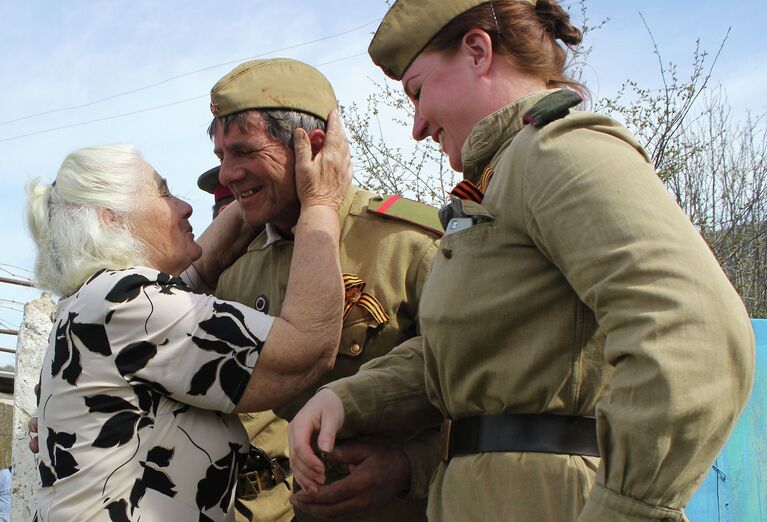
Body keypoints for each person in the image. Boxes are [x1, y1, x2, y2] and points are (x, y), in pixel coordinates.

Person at [288, 1, 756, 521]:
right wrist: (348, 400)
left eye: (418, 92)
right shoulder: (497, 182)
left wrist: (626, 510)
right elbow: (464, 355)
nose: (417, 126)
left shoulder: (557, 152)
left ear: (477, 51)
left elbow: (693, 332)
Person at [25, 132, 350, 521]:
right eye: (164, 193)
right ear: (111, 218)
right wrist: (321, 201)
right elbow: (304, 349)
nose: (184, 207)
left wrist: (257, 195)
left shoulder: (92, 301)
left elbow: (198, 274)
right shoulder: (125, 300)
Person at [208, 58, 442, 522]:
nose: (226, 175)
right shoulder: (234, 269)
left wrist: (406, 467)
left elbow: (481, 388)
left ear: (312, 147)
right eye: (221, 157)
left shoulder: (408, 244)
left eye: (243, 152)